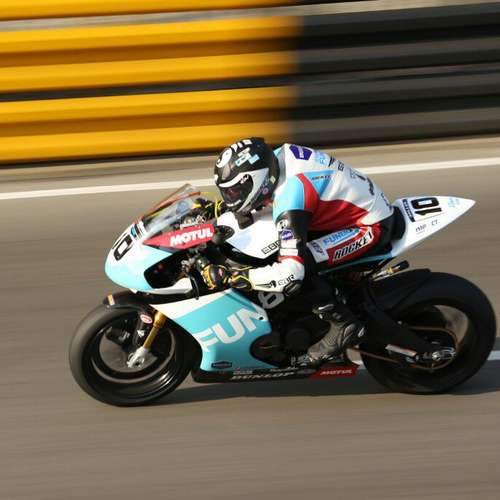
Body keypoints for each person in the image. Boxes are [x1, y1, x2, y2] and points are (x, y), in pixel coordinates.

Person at [201, 137, 395, 366]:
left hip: (367, 226)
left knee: (301, 267)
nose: (230, 198)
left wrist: (239, 277)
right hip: (338, 211)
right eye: (227, 192)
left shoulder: (290, 197)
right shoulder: (271, 159)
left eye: (234, 192)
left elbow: (291, 273)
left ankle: (344, 324)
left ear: (256, 180)